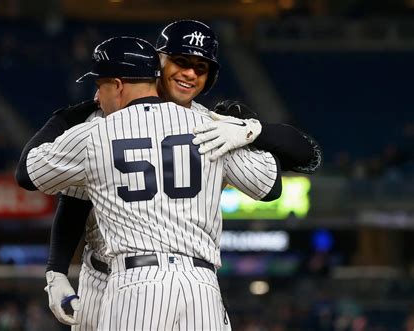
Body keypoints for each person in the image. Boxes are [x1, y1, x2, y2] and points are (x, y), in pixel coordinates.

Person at [17, 20, 321, 329]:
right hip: (117, 275)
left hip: (140, 281)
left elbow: (295, 165)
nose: (189, 73)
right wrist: (56, 270)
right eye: (181, 61)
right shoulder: (200, 126)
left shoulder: (212, 126)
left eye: (200, 67)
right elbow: (75, 204)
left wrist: (252, 130)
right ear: (157, 62)